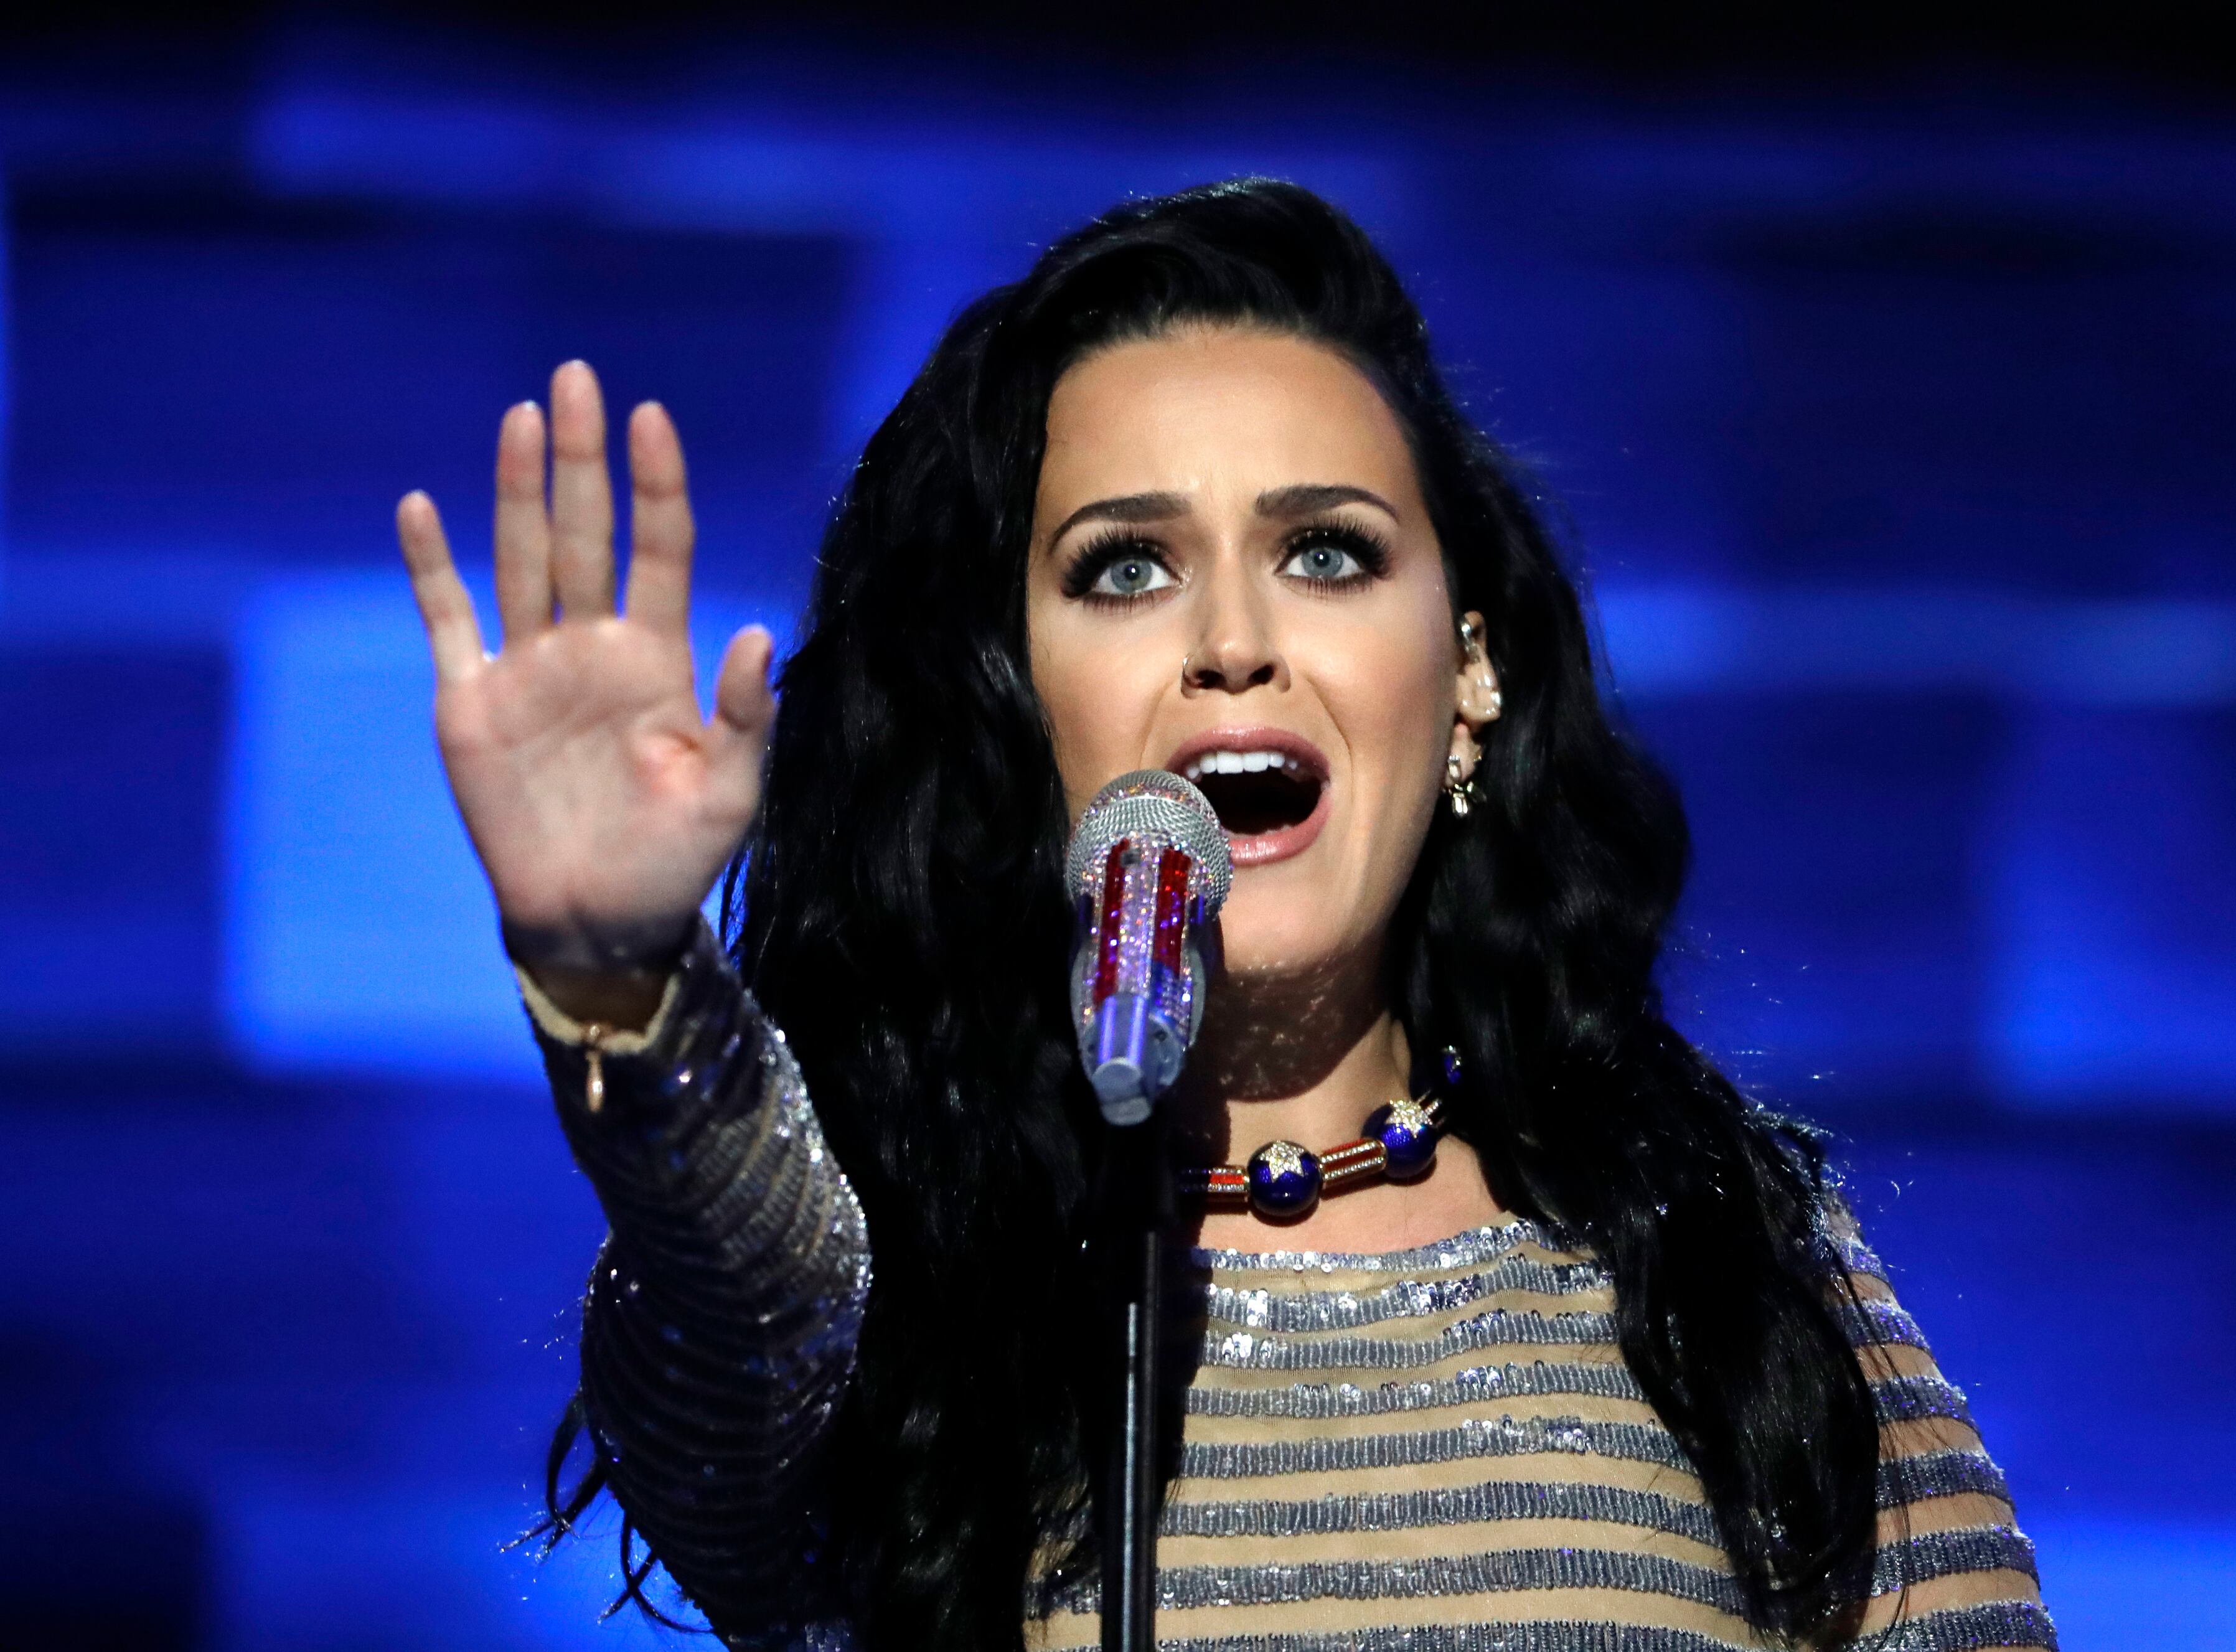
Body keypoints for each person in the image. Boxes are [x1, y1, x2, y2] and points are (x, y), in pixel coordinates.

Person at [394, 180, 2053, 1652]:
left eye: (1327, 553)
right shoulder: (895, 1300)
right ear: (1009, 706)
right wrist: (620, 975)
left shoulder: (1721, 1260)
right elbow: (738, 1291)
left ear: (1468, 671)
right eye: (1126, 569)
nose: (1236, 642)